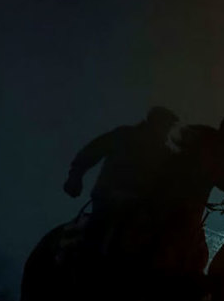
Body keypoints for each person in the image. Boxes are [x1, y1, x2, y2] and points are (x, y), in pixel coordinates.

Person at [63, 106, 180, 257]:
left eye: (169, 126)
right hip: (108, 199)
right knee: (96, 238)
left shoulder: (164, 153)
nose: (167, 130)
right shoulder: (124, 136)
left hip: (141, 207)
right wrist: (75, 176)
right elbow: (92, 152)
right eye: (165, 125)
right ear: (155, 122)